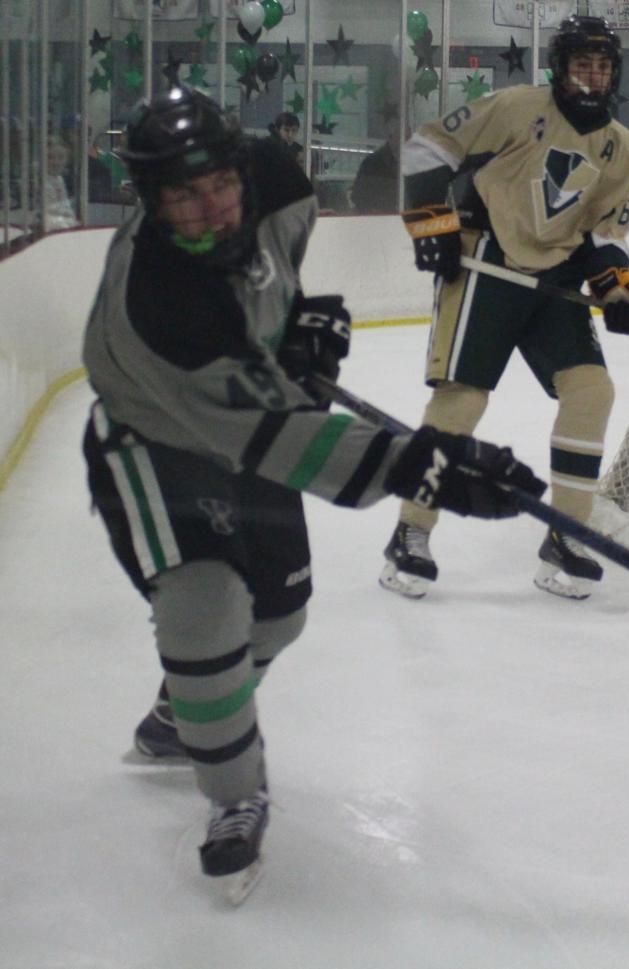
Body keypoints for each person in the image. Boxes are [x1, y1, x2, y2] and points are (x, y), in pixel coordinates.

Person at [81, 86, 543, 901]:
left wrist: (291, 326)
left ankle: (183, 711)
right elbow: (274, 439)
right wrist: (424, 465)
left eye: (219, 183)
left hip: (243, 416)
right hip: (156, 444)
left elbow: (269, 275)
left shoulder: (277, 181)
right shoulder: (156, 306)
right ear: (150, 200)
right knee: (205, 605)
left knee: (280, 612)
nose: (211, 208)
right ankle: (235, 793)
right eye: (184, 196)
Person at [380, 15, 629, 602]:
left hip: (555, 278)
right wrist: (431, 222)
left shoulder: (623, 148)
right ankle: (410, 531)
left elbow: (606, 234)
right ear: (560, 67)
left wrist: (620, 292)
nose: (593, 76)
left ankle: (567, 534)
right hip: (486, 264)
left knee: (591, 392)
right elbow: (427, 148)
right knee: (462, 398)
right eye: (582, 64)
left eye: (603, 66)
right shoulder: (515, 107)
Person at [350, 127, 400, 214]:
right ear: (391, 137)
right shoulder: (372, 162)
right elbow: (359, 195)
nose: (407, 142)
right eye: (402, 137)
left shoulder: (410, 162)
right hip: (376, 215)